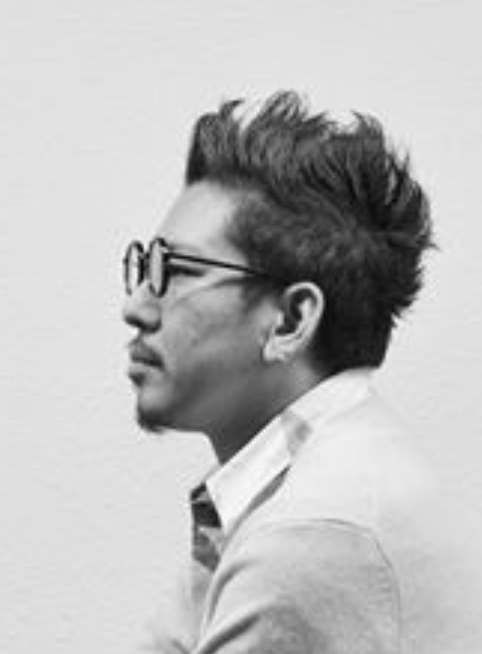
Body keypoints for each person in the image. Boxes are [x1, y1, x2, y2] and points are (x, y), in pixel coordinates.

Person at [121, 91, 480, 654]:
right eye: (147, 265)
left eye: (179, 270)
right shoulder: (302, 481)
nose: (137, 306)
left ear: (291, 320)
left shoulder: (307, 538)